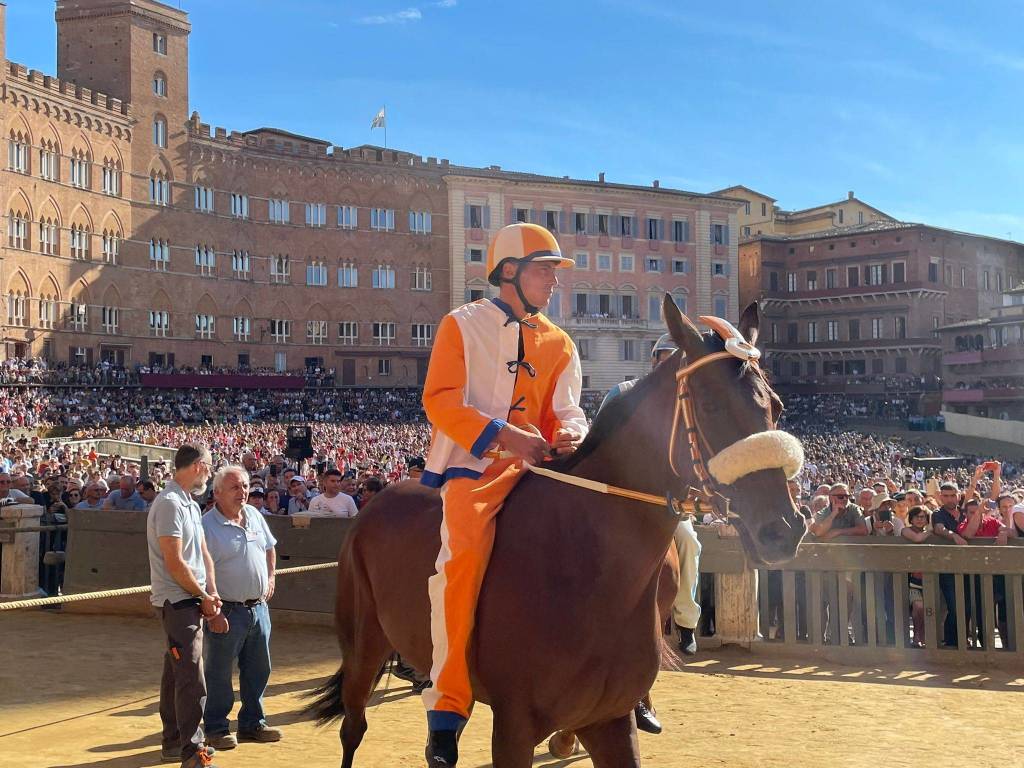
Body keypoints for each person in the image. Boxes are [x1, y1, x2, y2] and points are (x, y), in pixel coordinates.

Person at [419, 222, 586, 765]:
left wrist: (571, 433)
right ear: (509, 271)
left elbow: (567, 411)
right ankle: (446, 710)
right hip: (473, 470)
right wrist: (503, 436)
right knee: (460, 564)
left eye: (556, 272)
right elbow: (440, 401)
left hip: (538, 470)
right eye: (545, 270)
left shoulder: (560, 342)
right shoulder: (459, 324)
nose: (554, 282)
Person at [599, 332, 700, 734]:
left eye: (672, 360)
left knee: (690, 541)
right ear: (653, 361)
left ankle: (687, 620)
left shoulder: (691, 402)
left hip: (665, 507)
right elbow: (601, 442)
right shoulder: (624, 391)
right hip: (620, 504)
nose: (666, 365)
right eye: (662, 358)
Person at [146, 444, 221, 768]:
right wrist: (203, 596)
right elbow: (174, 562)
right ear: (199, 466)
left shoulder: (187, 502)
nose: (210, 472)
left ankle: (174, 741)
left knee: (177, 672)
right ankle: (192, 751)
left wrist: (211, 593)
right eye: (209, 466)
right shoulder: (170, 503)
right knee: (190, 674)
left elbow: (202, 554)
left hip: (188, 599)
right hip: (178, 601)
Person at [201, 466, 281, 750]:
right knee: (219, 672)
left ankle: (252, 723)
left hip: (258, 609)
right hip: (227, 610)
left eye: (245, 486)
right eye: (235, 487)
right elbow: (199, 572)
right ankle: (216, 727)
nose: (243, 492)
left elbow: (270, 547)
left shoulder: (255, 516)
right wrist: (212, 610)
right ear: (217, 493)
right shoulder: (206, 526)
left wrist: (270, 577)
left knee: (259, 669)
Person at [931, 482, 969, 647]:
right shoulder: (938, 513)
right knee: (955, 606)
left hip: (968, 564)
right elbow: (939, 529)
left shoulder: (964, 512)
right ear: (940, 496)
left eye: (952, 495)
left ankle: (959, 639)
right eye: (945, 496)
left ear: (958, 495)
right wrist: (954, 536)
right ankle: (952, 641)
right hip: (947, 566)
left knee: (967, 605)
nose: (949, 499)